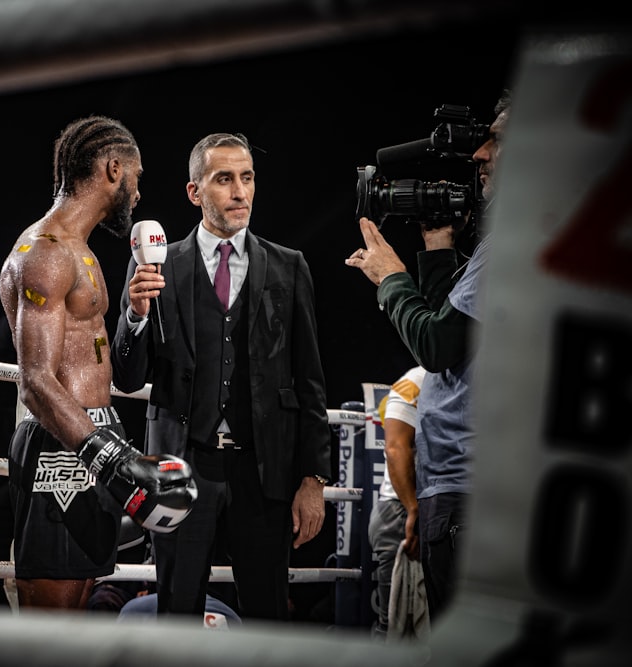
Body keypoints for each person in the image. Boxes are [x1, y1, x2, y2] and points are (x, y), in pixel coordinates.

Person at [110, 132, 333, 621]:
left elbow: (310, 380)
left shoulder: (290, 267)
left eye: (247, 177)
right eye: (224, 179)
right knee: (177, 611)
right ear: (195, 192)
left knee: (267, 614)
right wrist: (136, 314)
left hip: (264, 469)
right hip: (183, 466)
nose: (240, 191)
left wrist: (313, 478)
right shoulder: (158, 261)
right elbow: (127, 379)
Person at [0, 115, 197, 611]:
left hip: (95, 437)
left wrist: (135, 314)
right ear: (114, 169)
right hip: (61, 449)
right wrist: (113, 457)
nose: (137, 195)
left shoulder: (81, 252)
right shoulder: (44, 254)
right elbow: (36, 382)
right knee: (52, 633)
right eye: (137, 178)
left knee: (80, 617)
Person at [346, 90, 512, 623]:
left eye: (499, 141)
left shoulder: (514, 240)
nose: (480, 155)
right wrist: (438, 246)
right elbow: (453, 332)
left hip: (471, 491)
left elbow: (437, 347)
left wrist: (391, 277)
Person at [367, 365, 425, 639]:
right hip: (401, 512)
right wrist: (413, 508)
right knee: (394, 629)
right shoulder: (417, 380)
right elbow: (395, 447)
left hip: (423, 509)